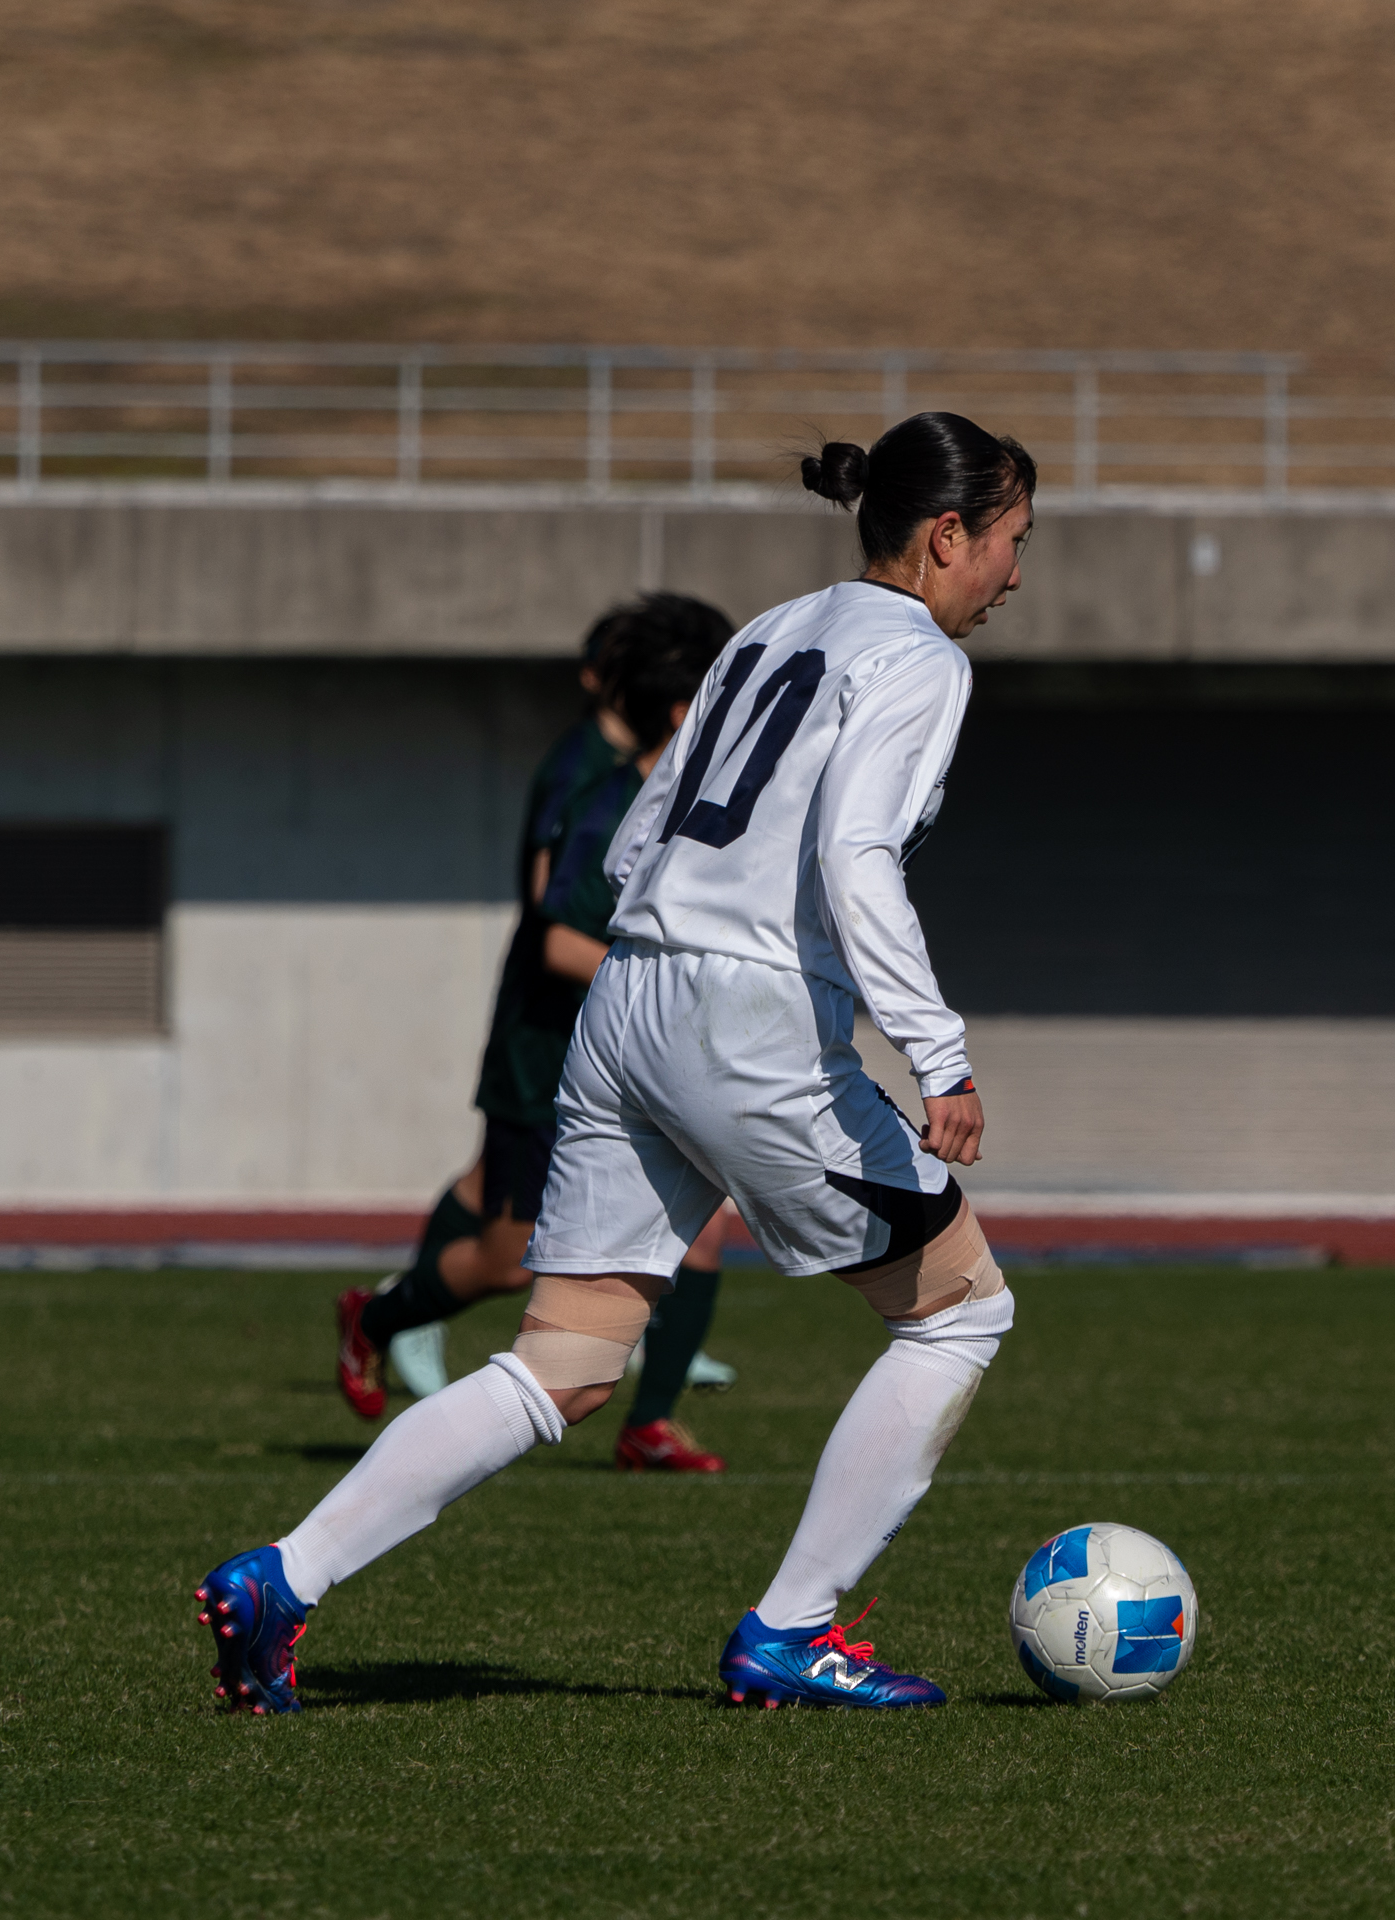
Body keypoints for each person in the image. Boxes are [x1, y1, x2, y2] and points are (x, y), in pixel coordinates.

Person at [194, 411, 1034, 1714]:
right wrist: (939, 1053)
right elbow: (855, 852)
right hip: (745, 1020)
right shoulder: (918, 658)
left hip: (632, 994)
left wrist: (663, 952)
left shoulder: (771, 630)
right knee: (960, 1310)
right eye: (1013, 541)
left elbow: (645, 826)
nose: (1016, 574)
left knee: (565, 1366)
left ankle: (280, 1578)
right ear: (946, 535)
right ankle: (792, 1629)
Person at [333, 594, 740, 1475]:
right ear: (683, 708)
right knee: (512, 1258)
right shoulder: (600, 791)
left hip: (636, 1045)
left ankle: (650, 1424)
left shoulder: (690, 794)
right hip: (550, 1046)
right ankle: (377, 1317)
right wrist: (674, 991)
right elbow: (557, 936)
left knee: (703, 1225)